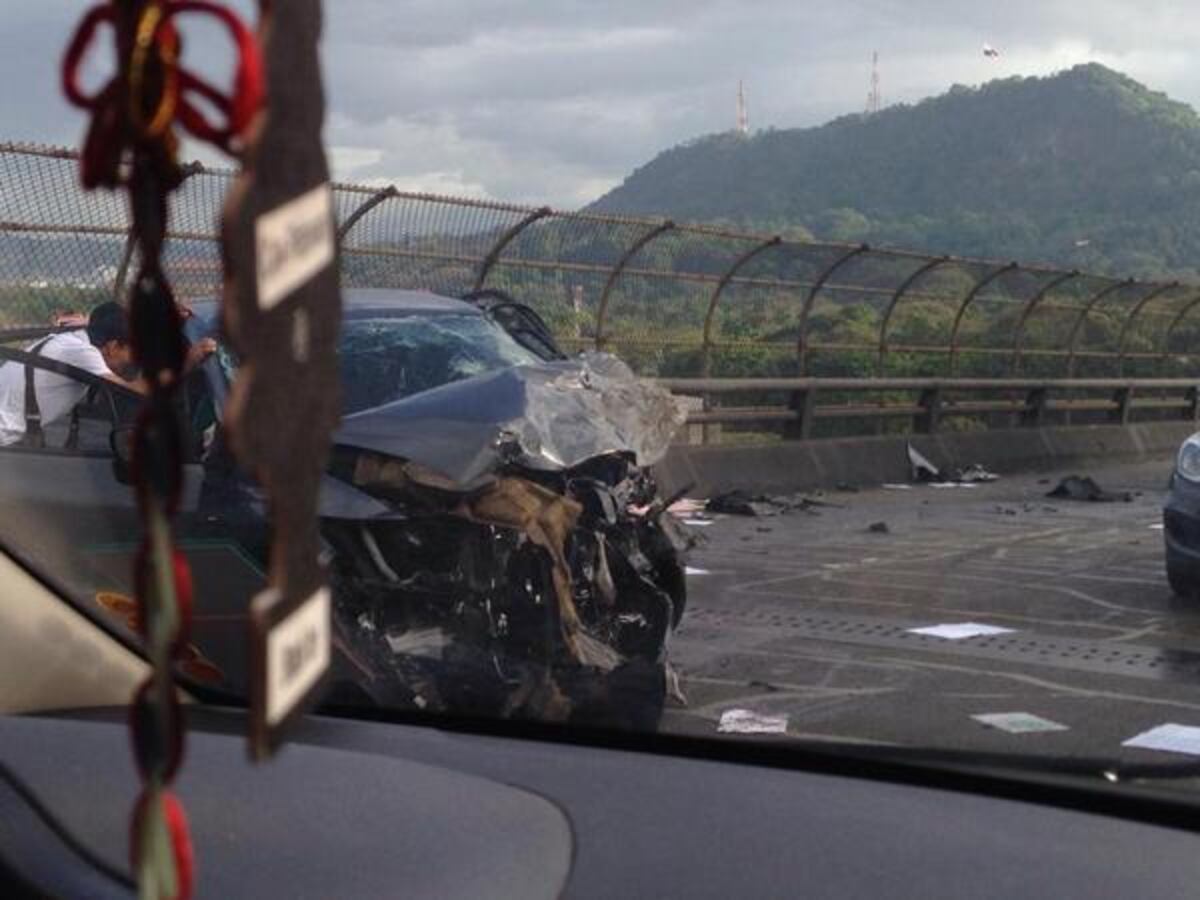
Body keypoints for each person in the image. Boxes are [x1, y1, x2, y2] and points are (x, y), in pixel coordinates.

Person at [0, 301, 214, 447]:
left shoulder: (73, 338)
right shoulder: (84, 353)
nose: (135, 361)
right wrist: (187, 362)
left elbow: (112, 317)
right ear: (113, 346)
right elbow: (136, 392)